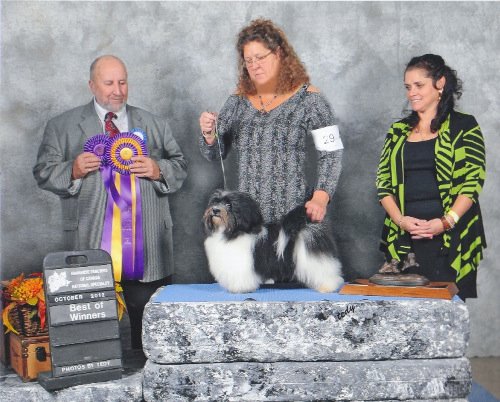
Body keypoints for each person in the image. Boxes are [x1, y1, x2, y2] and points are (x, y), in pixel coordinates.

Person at [33, 55, 188, 350]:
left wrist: (158, 170)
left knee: (150, 337)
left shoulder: (154, 123)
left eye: (122, 82)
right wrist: (73, 169)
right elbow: (43, 173)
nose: (117, 90)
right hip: (89, 240)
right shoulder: (61, 126)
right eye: (108, 83)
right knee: (93, 337)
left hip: (148, 248)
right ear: (92, 85)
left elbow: (180, 166)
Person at [199, 19, 343, 224]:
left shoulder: (311, 99)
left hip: (293, 219)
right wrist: (208, 134)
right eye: (248, 61)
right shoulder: (237, 101)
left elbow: (332, 154)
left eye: (260, 57)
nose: (254, 66)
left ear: (279, 54)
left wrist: (320, 197)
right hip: (246, 220)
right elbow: (215, 155)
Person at [376, 54, 486, 300]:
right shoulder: (397, 131)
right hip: (405, 237)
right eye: (407, 87)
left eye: (419, 85)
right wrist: (401, 220)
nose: (412, 93)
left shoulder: (464, 126)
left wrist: (446, 222)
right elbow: (383, 184)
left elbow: (473, 182)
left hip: (450, 239)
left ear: (440, 84)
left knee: (447, 317)